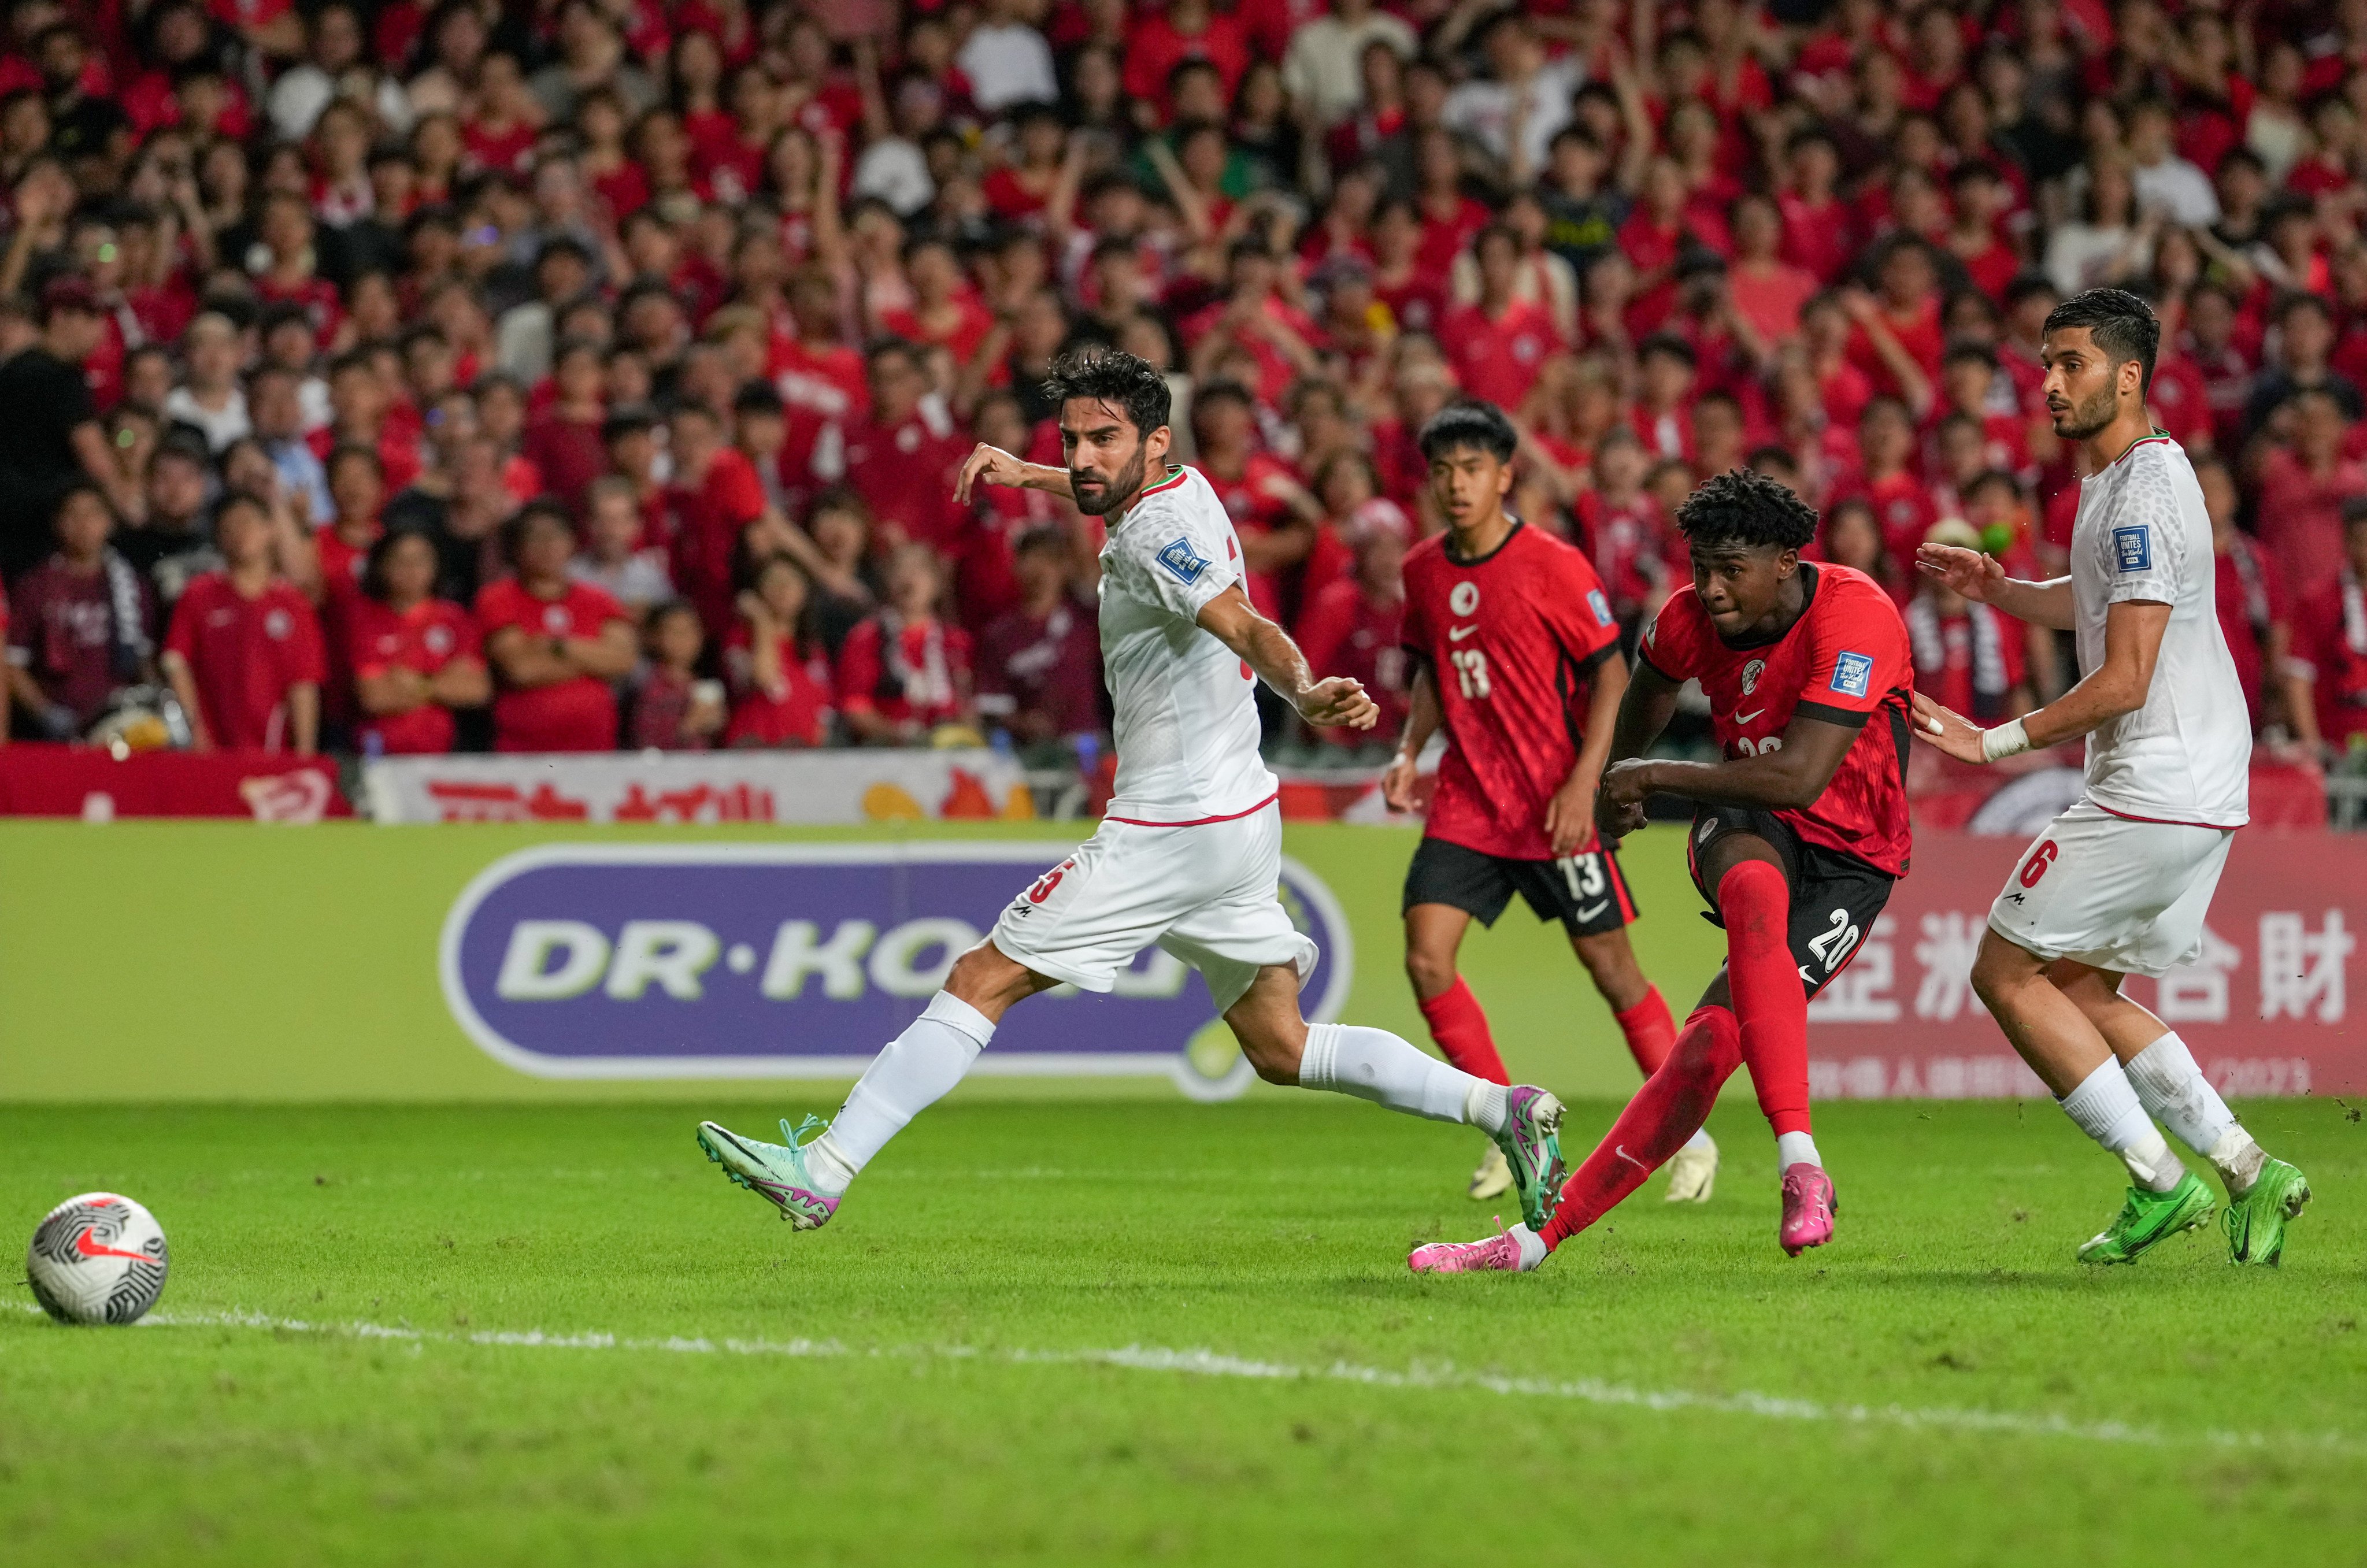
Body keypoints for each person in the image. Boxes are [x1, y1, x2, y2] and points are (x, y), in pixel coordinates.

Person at [694, 350, 1570, 1234]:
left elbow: (1244, 622)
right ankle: (1506, 1112)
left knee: (979, 977)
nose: (1081, 457)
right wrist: (1020, 469)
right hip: (1235, 812)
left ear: (1153, 441)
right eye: (1070, 439)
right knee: (1282, 1045)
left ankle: (825, 1166)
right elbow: (1104, 490)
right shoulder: (1177, 485)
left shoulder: (1156, 537)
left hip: (1171, 820)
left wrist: (1302, 690)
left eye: (1100, 440)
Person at [1410, 466, 1914, 1272]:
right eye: (1699, 568)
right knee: (1749, 887)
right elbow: (1640, 706)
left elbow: (1798, 776)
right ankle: (1798, 1166)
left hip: (1853, 855)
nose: (1708, 589)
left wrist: (1648, 779)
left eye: (1730, 571)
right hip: (1751, 816)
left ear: (1785, 561)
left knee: (1707, 1050)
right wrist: (1614, 781)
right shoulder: (1685, 619)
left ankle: (1541, 1238)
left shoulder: (1853, 617)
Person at [1910, 288, 2307, 1267]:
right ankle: (2250, 1168)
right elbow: (2102, 607)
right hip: (2193, 782)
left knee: (2005, 971)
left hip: (2156, 777)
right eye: (2046, 363)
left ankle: (2158, 1181)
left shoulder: (2145, 493)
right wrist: (2004, 591)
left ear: (2131, 374)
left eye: (2073, 364)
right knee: (2082, 988)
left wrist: (1993, 742)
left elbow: (2125, 676)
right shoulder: (2113, 482)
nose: (2050, 384)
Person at [1382, 399, 1716, 1205]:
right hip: (1467, 800)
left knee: (1610, 969)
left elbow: (1610, 674)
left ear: (1504, 475)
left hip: (1552, 801)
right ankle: (1509, 1123)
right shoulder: (1421, 569)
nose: (1455, 485)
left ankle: (1691, 1136)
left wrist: (1582, 781)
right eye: (1442, 471)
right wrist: (1407, 750)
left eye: (1471, 470)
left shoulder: (1553, 564)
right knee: (1425, 956)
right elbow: (1434, 666)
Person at [161, 491, 325, 754]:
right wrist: (196, 733)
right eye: (229, 527)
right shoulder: (198, 595)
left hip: (273, 754)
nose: (240, 533)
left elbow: (304, 682)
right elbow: (175, 661)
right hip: (211, 752)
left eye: (247, 522)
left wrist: (304, 753)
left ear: (269, 529)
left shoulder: (293, 605)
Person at [0, 276, 139, 580]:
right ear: (59, 316)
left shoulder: (10, 370)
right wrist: (131, 516)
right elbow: (95, 459)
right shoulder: (61, 377)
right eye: (90, 317)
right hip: (48, 530)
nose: (100, 329)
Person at [475, 501, 636, 753]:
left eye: (556, 536)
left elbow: (623, 661)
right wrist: (592, 662)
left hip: (595, 746)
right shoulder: (497, 598)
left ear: (572, 543)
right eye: (536, 537)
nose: (548, 546)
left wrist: (556, 646)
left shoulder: (600, 600)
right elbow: (521, 669)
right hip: (522, 748)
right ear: (517, 547)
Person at [5, 484, 153, 739]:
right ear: (58, 523)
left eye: (93, 514)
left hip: (120, 723)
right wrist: (46, 713)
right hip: (57, 726)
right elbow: (12, 662)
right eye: (73, 515)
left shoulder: (131, 584)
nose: (84, 524)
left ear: (109, 522)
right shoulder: (35, 585)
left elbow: (144, 660)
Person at [346, 528, 487, 756]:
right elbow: (374, 697)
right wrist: (441, 683)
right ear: (382, 566)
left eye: (421, 559)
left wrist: (418, 684)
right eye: (400, 559)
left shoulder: (455, 619)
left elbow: (475, 690)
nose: (411, 568)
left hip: (443, 754)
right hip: (379, 753)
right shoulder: (365, 619)